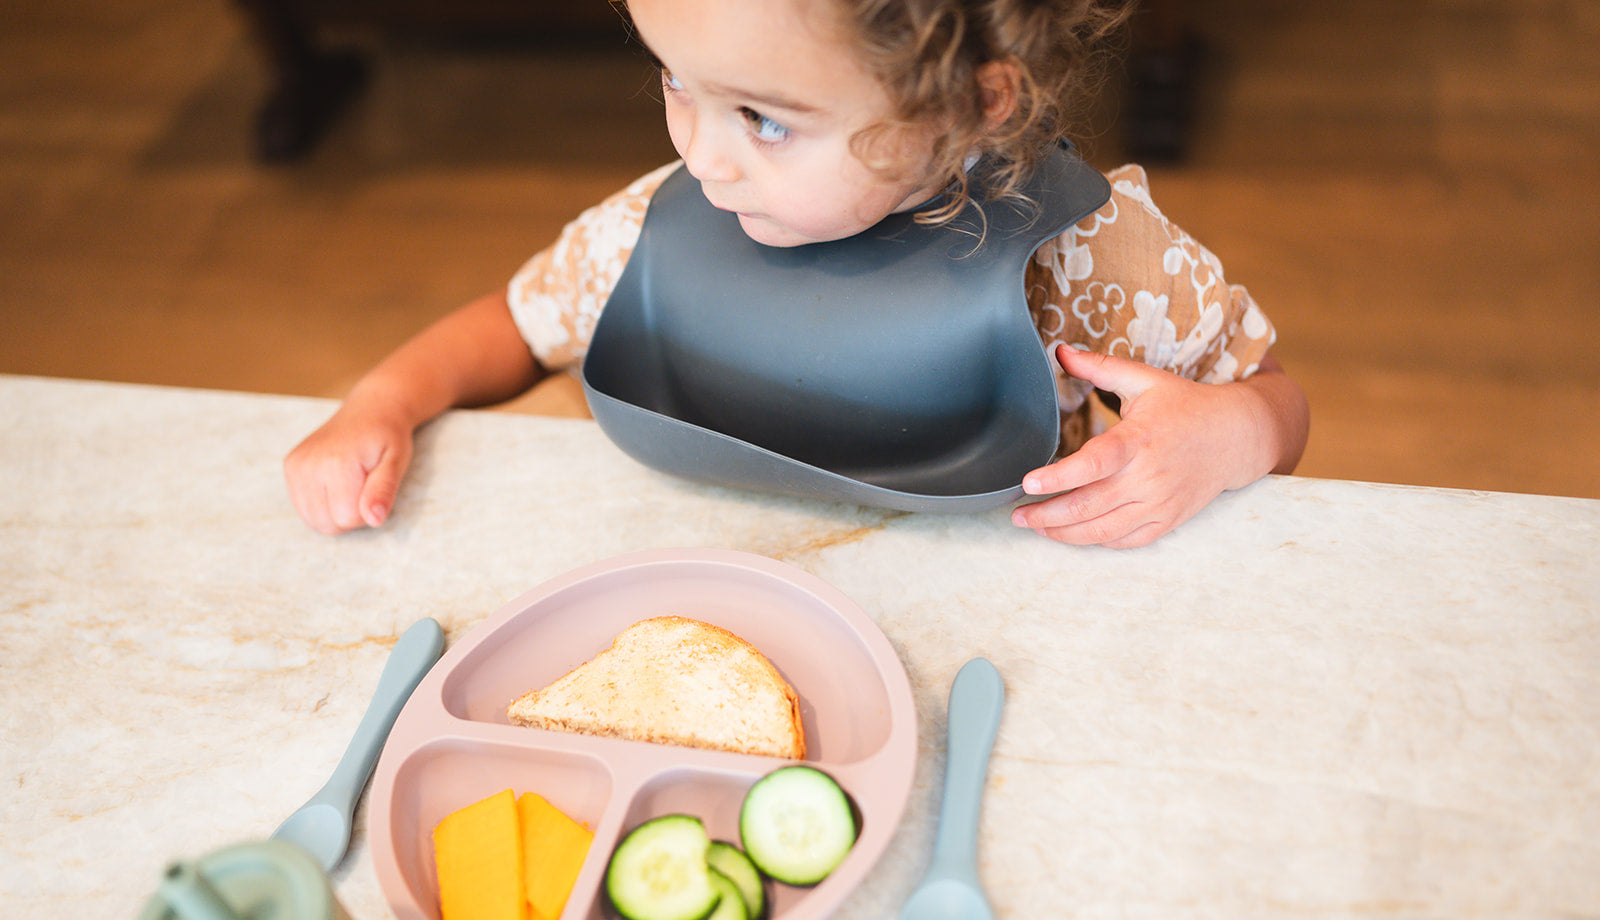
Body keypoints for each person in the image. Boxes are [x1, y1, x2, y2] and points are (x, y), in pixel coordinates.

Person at [285, 0, 1308, 548]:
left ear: (971, 101)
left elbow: (1274, 402)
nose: (702, 156)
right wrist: (382, 402)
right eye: (675, 81)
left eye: (764, 120)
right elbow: (516, 324)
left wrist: (1228, 436)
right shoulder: (656, 226)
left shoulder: (1089, 257)